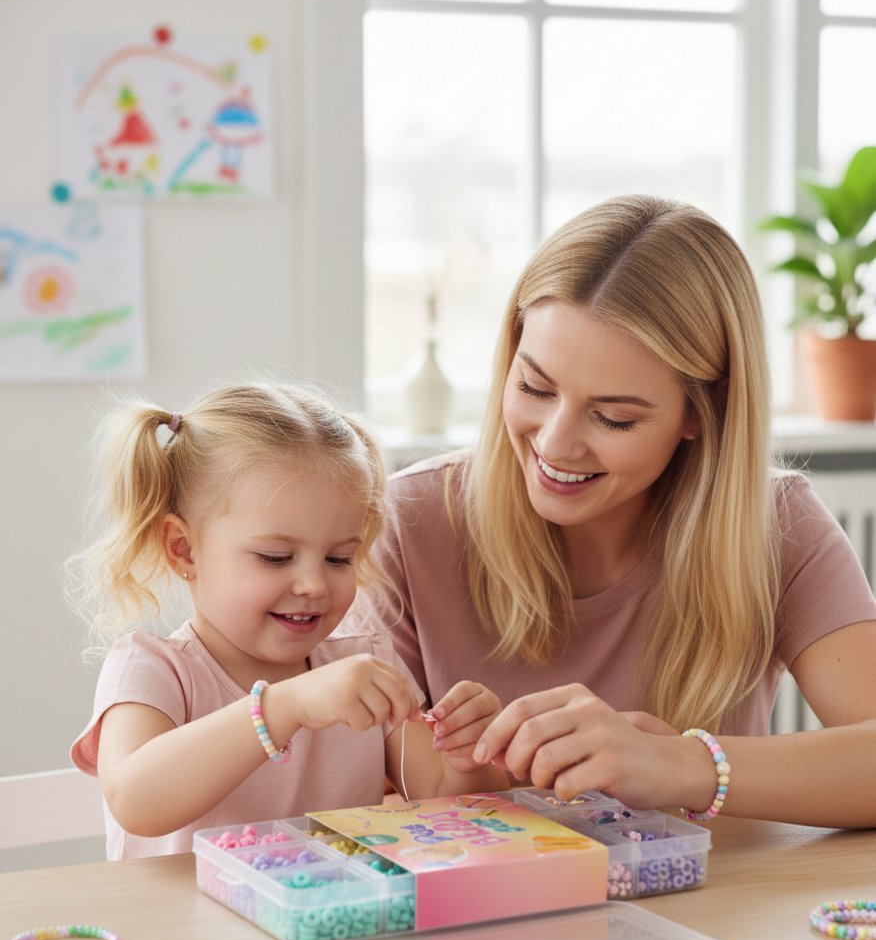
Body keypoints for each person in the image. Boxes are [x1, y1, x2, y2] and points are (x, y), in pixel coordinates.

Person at [367, 195, 876, 829]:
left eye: (614, 417)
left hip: (712, 913)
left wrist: (677, 764)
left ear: (702, 412)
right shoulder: (408, 522)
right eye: (533, 387)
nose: (554, 444)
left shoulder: (778, 529)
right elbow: (376, 792)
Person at [68, 381, 505, 858]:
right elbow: (135, 799)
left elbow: (451, 801)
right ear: (183, 548)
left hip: (327, 927)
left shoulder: (366, 662)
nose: (314, 585)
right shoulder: (152, 669)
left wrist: (467, 755)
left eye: (339, 559)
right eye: (276, 557)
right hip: (183, 932)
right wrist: (281, 708)